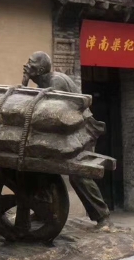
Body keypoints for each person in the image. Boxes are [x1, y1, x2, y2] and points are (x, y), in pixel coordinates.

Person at [22, 51, 113, 229]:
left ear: (40, 69)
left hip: (81, 132)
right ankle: (43, 211)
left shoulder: (56, 82)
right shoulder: (43, 82)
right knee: (41, 167)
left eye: (30, 62)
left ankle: (103, 217)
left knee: (78, 174)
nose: (26, 65)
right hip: (69, 131)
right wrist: (24, 84)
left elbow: (51, 112)